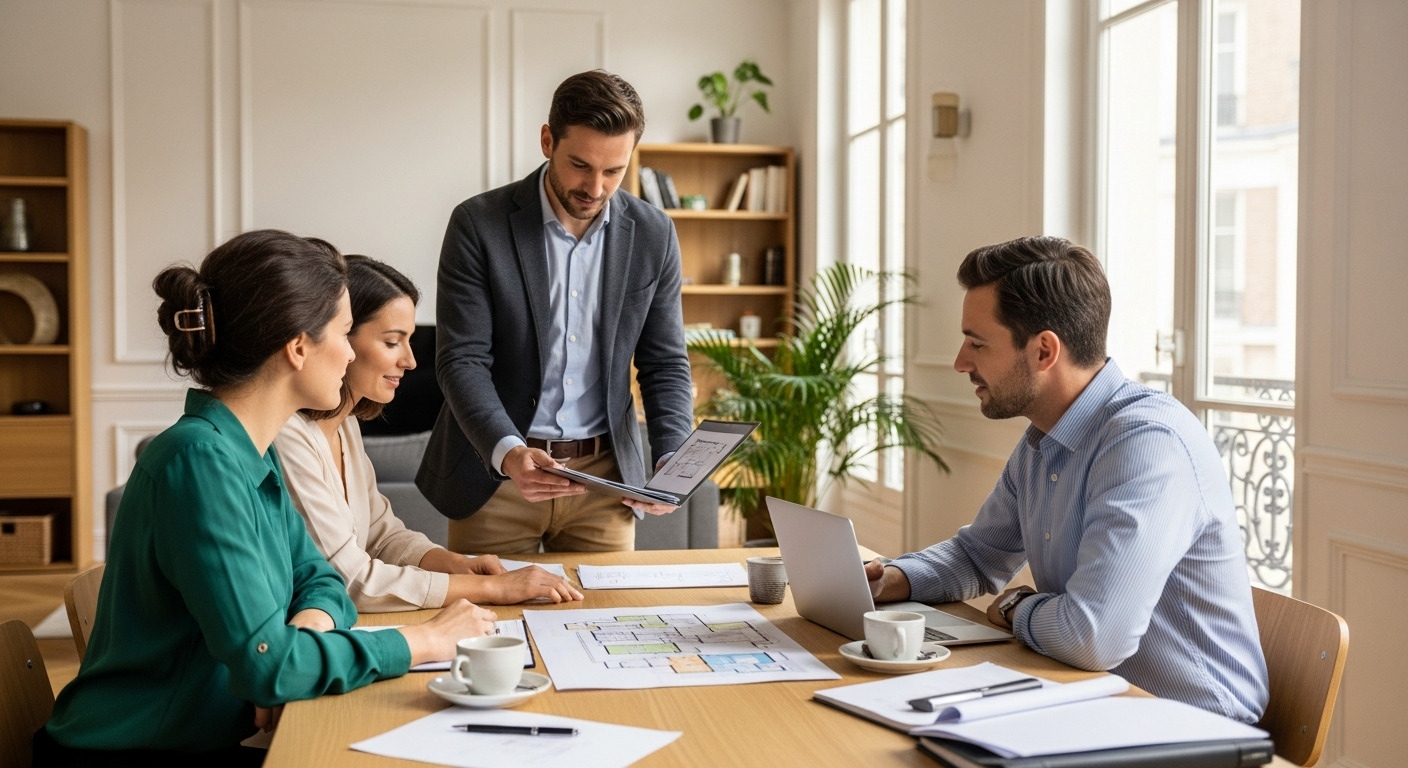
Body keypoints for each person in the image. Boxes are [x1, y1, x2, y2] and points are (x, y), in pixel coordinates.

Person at [36, 231, 495, 767]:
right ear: (298, 347)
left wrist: (301, 637)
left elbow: (322, 581)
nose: (350, 353)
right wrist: (426, 642)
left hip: (207, 737)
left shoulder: (250, 448)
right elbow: (269, 668)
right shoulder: (199, 463)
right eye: (344, 333)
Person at [864, 236, 1269, 723]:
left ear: (1043, 350)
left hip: (1193, 724)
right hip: (1089, 697)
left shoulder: (1146, 444)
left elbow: (1094, 636)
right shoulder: (1044, 438)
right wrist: (893, 579)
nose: (960, 362)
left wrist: (1016, 607)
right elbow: (979, 556)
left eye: (977, 343)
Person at [417, 69, 694, 554]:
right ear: (548, 141)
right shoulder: (478, 225)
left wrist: (673, 454)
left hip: (605, 482)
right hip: (498, 477)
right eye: (580, 165)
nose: (596, 187)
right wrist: (509, 453)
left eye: (614, 171)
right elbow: (461, 360)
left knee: (610, 607)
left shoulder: (654, 234)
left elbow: (665, 363)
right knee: (487, 605)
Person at [275, 255, 584, 611]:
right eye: (392, 342)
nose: (410, 361)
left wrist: (455, 564)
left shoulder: (345, 424)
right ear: (342, 337)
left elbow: (380, 534)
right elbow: (350, 579)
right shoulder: (288, 436)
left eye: (408, 341)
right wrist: (491, 588)